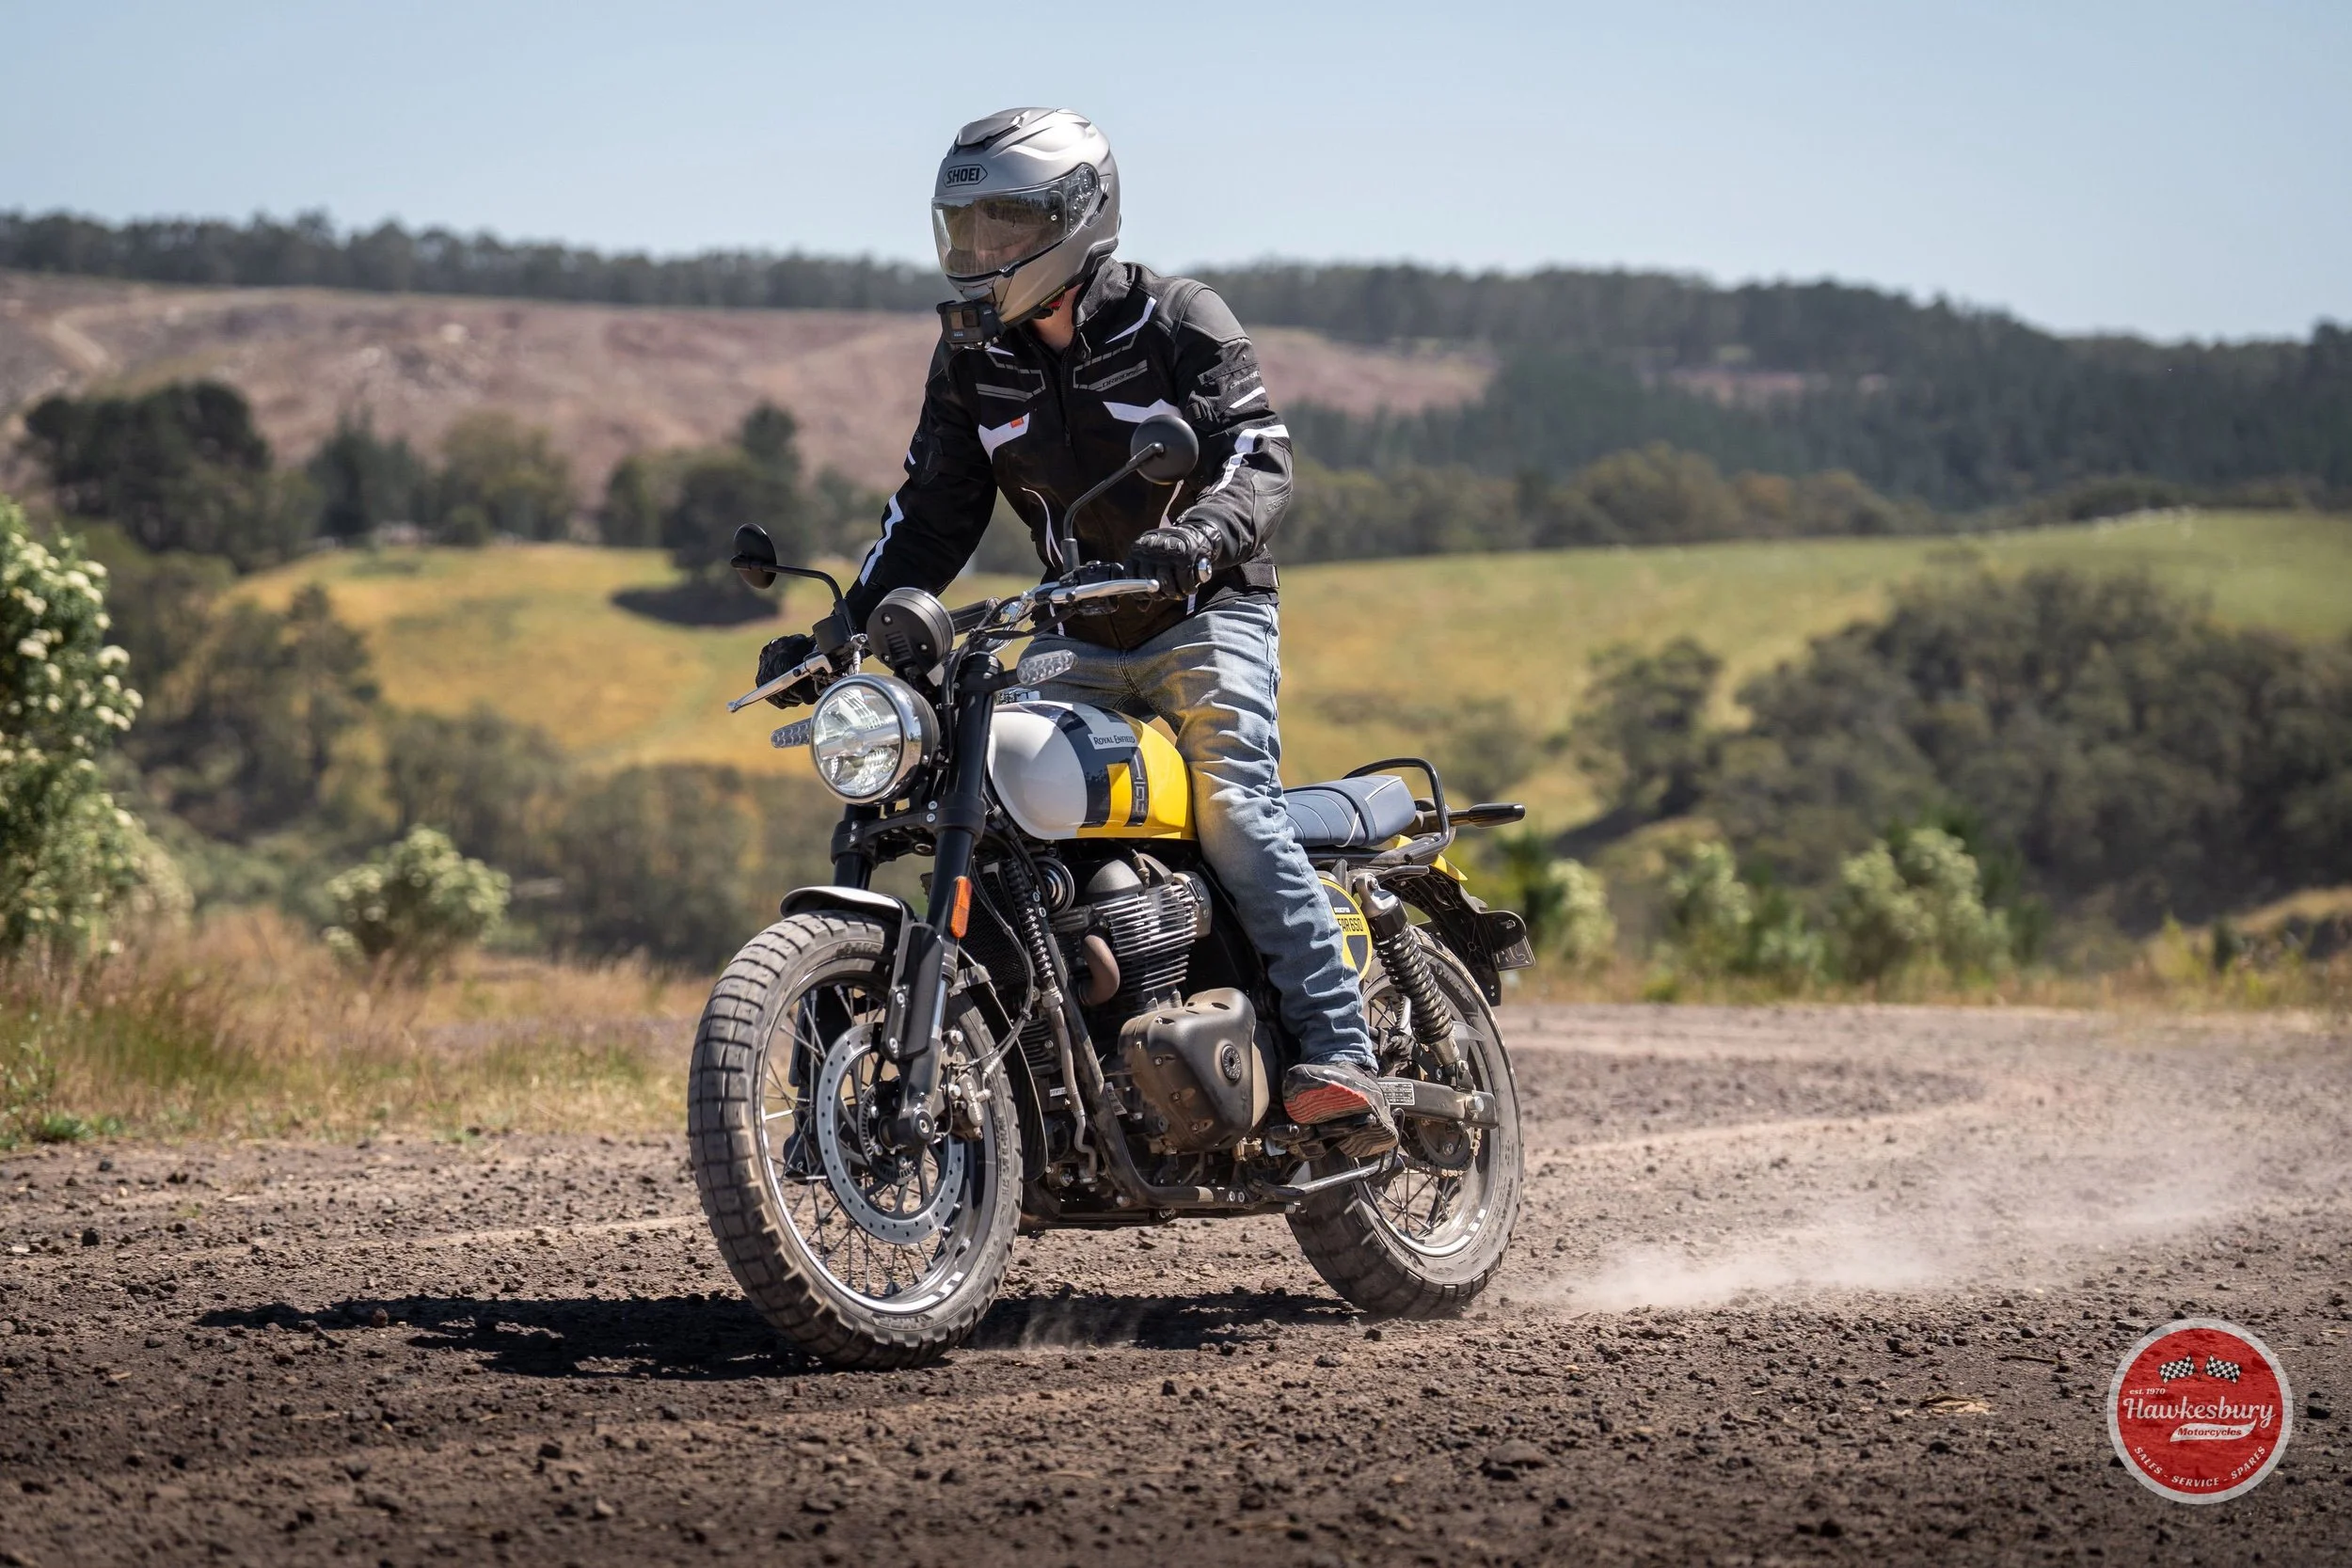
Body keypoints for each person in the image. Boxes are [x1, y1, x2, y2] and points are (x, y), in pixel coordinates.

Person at [754, 107, 1394, 1153]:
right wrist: (841, 631)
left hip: (1203, 610)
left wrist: (1195, 539)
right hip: (1074, 627)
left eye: (1007, 226)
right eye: (965, 228)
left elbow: (1259, 455)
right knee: (1001, 805)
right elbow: (929, 516)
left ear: (1079, 218)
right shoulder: (973, 360)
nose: (982, 252)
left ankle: (1338, 1049)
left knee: (1232, 807)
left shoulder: (1179, 320)